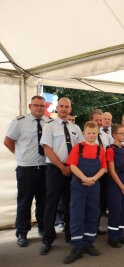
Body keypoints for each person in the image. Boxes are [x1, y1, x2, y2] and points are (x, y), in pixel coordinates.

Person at [4, 95, 51, 247]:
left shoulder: (49, 123)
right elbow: (8, 141)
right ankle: (22, 233)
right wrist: (20, 156)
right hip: (26, 169)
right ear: (30, 106)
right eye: (36, 105)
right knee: (24, 202)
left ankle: (43, 228)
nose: (39, 108)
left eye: (42, 106)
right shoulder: (20, 122)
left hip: (44, 168)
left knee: (43, 201)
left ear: (45, 108)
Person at [39, 97, 84, 255]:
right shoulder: (49, 126)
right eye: (61, 106)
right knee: (51, 204)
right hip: (55, 169)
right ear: (57, 108)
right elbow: (47, 149)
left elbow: (80, 150)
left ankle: (71, 235)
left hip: (72, 170)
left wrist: (71, 167)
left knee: (70, 204)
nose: (64, 109)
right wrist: (62, 167)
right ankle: (47, 239)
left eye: (67, 107)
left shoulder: (76, 128)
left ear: (70, 109)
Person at [63, 121, 106, 264]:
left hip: (94, 186)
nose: (92, 136)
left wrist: (93, 179)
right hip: (78, 186)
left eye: (94, 133)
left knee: (92, 214)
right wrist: (84, 178)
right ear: (84, 133)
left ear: (97, 134)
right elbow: (73, 166)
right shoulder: (78, 148)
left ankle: (88, 243)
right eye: (89, 133)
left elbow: (103, 168)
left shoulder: (101, 150)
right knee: (76, 215)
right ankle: (77, 247)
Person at [106, 123, 124, 248]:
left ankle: (121, 234)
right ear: (114, 134)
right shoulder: (110, 150)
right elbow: (111, 170)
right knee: (115, 210)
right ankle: (112, 237)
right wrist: (121, 186)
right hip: (115, 183)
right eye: (121, 133)